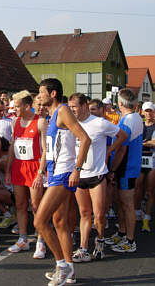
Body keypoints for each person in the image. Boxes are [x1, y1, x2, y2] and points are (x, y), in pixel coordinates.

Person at [34, 78, 91, 286]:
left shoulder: (63, 111)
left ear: (53, 93)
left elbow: (85, 139)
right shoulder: (51, 115)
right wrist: (42, 171)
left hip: (64, 174)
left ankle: (63, 266)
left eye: (41, 92)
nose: (39, 96)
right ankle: (70, 270)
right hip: (54, 173)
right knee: (60, 223)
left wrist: (77, 169)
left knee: (39, 221)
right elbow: (50, 148)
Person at [68, 93, 127, 261]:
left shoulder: (100, 123)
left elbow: (123, 136)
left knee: (99, 215)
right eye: (70, 107)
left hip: (97, 174)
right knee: (84, 213)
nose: (72, 110)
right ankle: (83, 248)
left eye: (74, 107)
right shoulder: (72, 124)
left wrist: (109, 150)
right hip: (79, 175)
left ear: (84, 106)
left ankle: (100, 240)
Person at [5, 90, 48, 260]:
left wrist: (40, 173)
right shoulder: (15, 121)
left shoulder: (41, 122)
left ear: (27, 106)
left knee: (37, 206)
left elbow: (46, 150)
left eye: (17, 106)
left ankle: (41, 240)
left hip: (34, 167)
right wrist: (8, 169)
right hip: (19, 166)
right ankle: (23, 238)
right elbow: (12, 147)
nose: (14, 109)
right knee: (21, 204)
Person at [105, 88, 143, 253]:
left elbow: (121, 149)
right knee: (121, 203)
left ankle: (130, 240)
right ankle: (122, 233)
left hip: (126, 168)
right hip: (126, 167)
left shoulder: (128, 121)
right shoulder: (133, 117)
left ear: (120, 103)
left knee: (127, 205)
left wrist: (113, 168)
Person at [134, 101, 155, 232]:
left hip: (152, 160)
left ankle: (147, 217)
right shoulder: (139, 125)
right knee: (137, 188)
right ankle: (137, 213)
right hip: (140, 159)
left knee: (150, 190)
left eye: (150, 111)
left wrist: (145, 143)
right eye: (146, 111)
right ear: (142, 112)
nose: (148, 114)